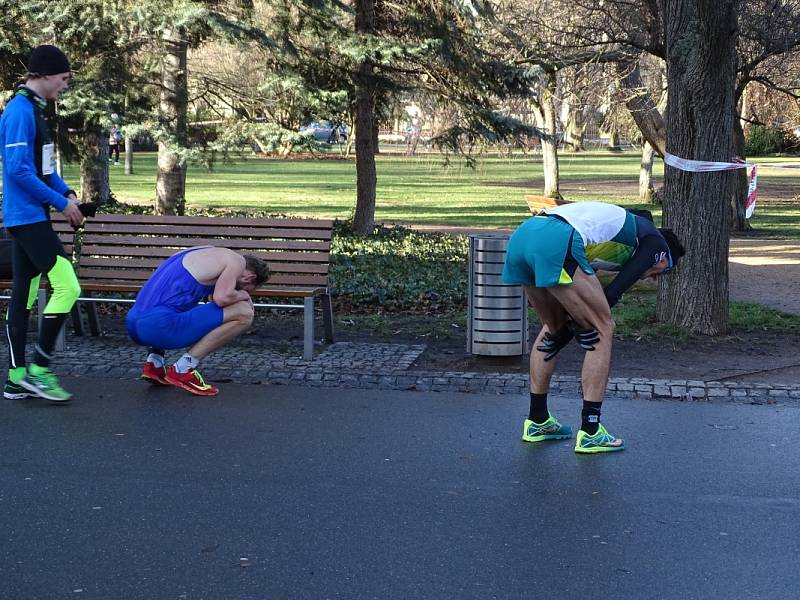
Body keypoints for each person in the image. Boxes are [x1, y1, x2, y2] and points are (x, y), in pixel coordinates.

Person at [502, 201, 685, 453]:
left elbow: (576, 303)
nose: (655, 277)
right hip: (556, 238)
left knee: (553, 328)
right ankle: (590, 431)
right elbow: (612, 294)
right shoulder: (656, 243)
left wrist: (571, 327)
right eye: (664, 272)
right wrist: (583, 323)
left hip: (525, 235)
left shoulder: (615, 244)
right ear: (665, 257)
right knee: (603, 327)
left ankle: (537, 420)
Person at [0, 44, 84, 403]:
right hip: (27, 218)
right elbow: (18, 170)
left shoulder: (35, 110)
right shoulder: (19, 111)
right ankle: (40, 370)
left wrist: (68, 193)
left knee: (24, 295)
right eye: (64, 78)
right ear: (46, 75)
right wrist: (60, 203)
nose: (65, 85)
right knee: (68, 287)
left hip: (32, 216)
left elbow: (43, 168)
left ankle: (16, 378)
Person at [126, 246, 270, 396]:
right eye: (249, 288)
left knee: (172, 304)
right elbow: (222, 299)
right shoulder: (236, 261)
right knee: (244, 313)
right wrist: (245, 295)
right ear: (250, 278)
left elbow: (212, 299)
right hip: (159, 328)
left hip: (133, 324)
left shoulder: (198, 252)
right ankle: (183, 369)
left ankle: (154, 363)